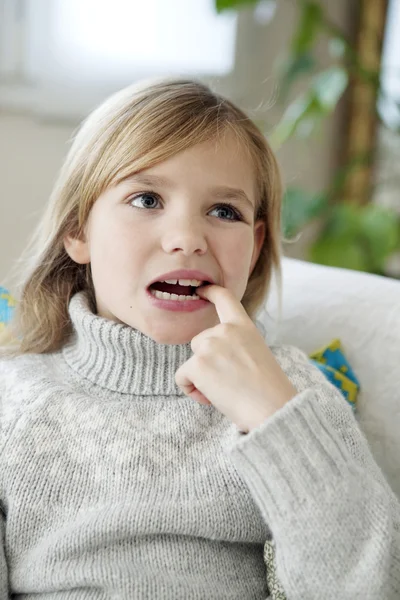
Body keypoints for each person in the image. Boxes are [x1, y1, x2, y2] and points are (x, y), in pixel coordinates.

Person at [0, 78, 399, 600]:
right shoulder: (14, 394)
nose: (187, 238)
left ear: (254, 247)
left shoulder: (289, 389)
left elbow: (372, 585)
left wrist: (275, 417)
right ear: (78, 230)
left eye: (224, 212)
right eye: (146, 198)